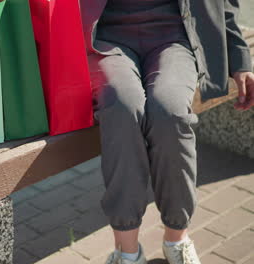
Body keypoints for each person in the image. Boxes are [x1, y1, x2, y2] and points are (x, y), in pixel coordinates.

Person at [88, 0, 254, 263]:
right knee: (122, 108)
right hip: (106, 37)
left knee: (170, 111)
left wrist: (240, 58)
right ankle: (127, 252)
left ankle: (176, 240)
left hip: (175, 36)